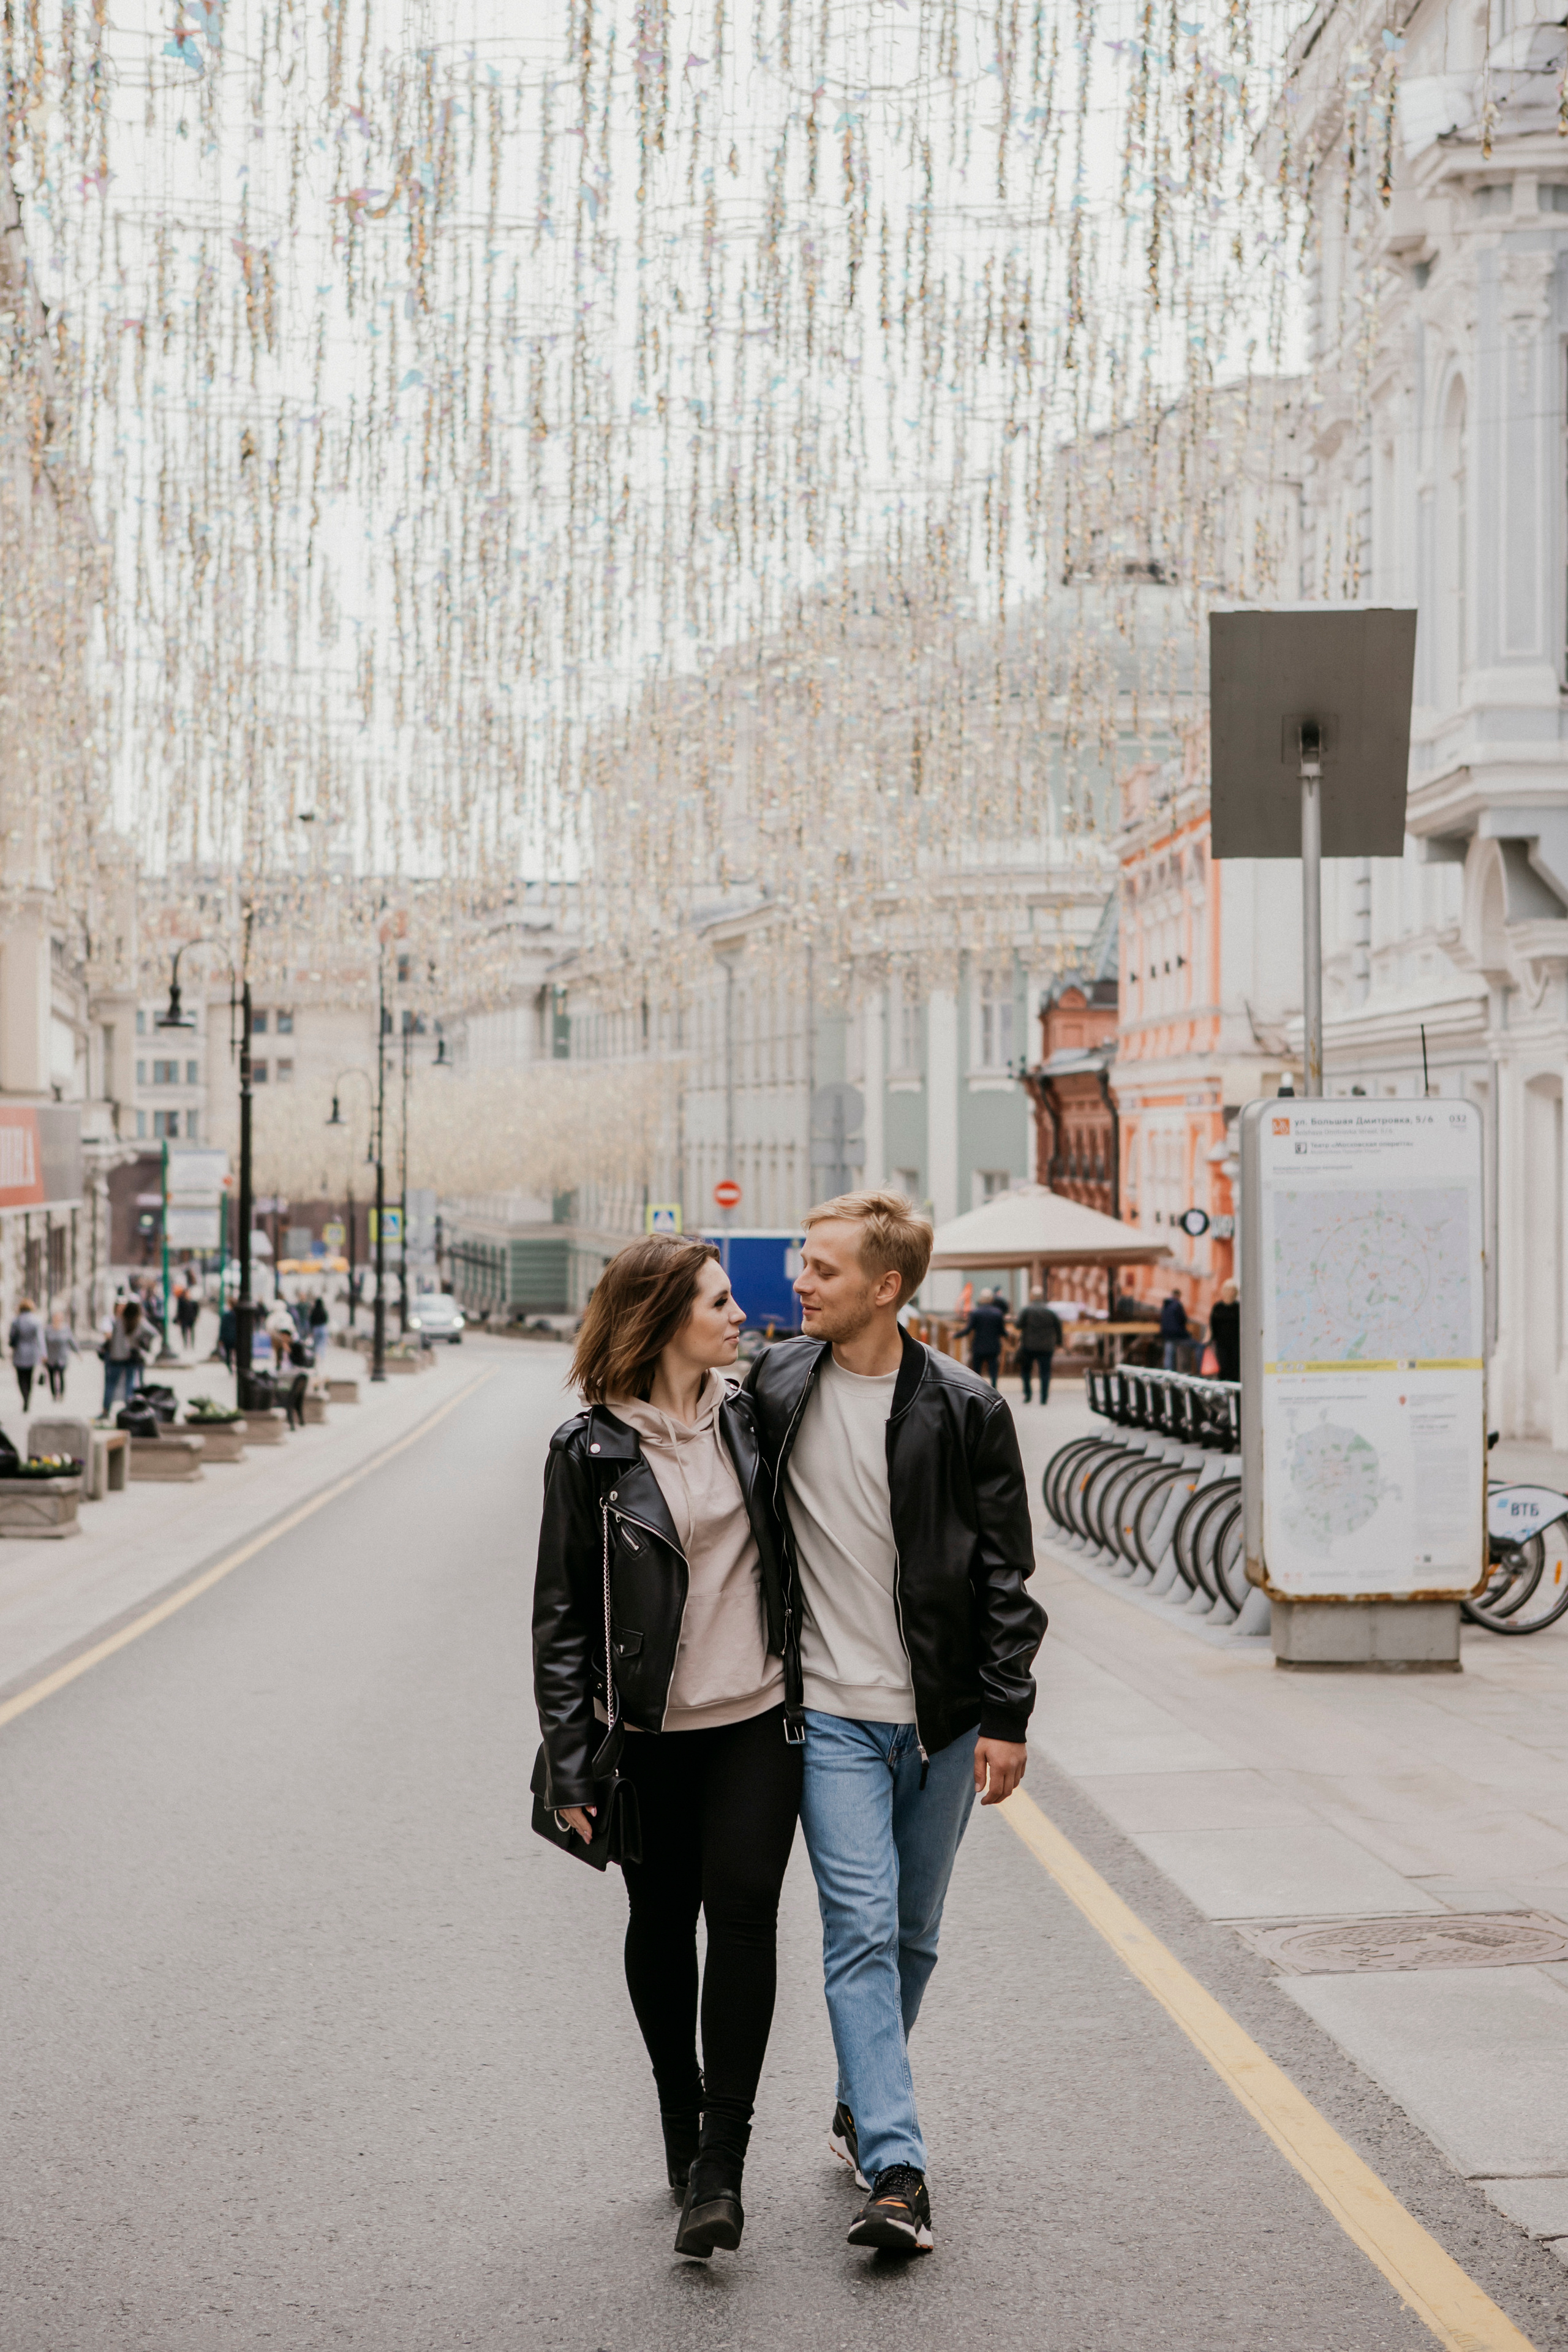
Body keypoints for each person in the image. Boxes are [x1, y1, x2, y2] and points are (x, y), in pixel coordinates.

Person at [745, 1191, 1045, 2258]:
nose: (800, 1281)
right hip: (827, 1715)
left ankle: (856, 2097)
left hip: (944, 1721)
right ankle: (898, 2169)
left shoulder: (965, 1408)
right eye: (801, 1262)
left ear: (886, 1287)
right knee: (861, 1929)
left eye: (822, 1268)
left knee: (913, 1934)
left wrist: (1007, 1715)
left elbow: (1008, 1575)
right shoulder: (775, 1383)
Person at [533, 1233, 802, 2263]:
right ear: (664, 1319)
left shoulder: (754, 1415)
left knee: (742, 1916)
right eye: (720, 1302)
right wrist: (569, 1760)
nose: (741, 1315)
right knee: (661, 1919)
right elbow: (560, 1616)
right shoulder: (587, 1450)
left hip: (756, 1718)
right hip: (644, 1734)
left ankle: (721, 2166)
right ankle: (680, 2121)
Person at [1014, 1286, 1064, 1403]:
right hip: (1046, 1346)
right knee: (1045, 1372)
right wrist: (1059, 1342)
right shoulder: (1050, 1311)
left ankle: (1028, 1395)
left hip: (1029, 1346)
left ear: (1032, 1296)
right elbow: (1058, 1328)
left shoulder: (1027, 1310)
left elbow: (1018, 1325)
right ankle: (1044, 1397)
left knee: (1026, 1371)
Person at [955, 1287, 1009, 1388]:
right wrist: (1008, 1335)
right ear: (991, 1300)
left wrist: (955, 1335)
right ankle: (994, 1389)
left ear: (981, 1299)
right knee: (993, 1370)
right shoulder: (998, 1313)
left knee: (977, 1371)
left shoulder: (975, 1313)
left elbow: (968, 1330)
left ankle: (978, 1389)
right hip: (993, 1346)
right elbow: (1002, 1331)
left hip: (979, 1345)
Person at [101, 1298, 146, 1418]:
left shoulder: (120, 1321)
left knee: (117, 1385)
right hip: (129, 1357)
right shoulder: (136, 1321)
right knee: (128, 1385)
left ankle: (108, 1411)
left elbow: (111, 1339)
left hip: (117, 1358)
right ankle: (128, 1410)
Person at [8, 1298, 44, 1411]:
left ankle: (24, 1397)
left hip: (19, 1352)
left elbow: (11, 1337)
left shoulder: (16, 1321)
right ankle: (28, 1398)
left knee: (21, 1378)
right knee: (29, 1378)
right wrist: (43, 1354)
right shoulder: (36, 1321)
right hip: (32, 1353)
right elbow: (40, 1339)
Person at [1208, 1278, 1240, 1384]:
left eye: (1233, 1290)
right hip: (1222, 1343)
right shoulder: (1218, 1307)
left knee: (1235, 1367)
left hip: (1236, 1343)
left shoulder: (1238, 1307)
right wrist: (1213, 1338)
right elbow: (1213, 1324)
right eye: (1228, 1290)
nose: (1231, 1293)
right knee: (1223, 1366)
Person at [44, 1310, 80, 1401]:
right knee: (52, 1376)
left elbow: (71, 1341)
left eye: (59, 1318)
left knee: (61, 1375)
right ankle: (54, 1394)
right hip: (51, 1357)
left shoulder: (66, 1329)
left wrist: (78, 1352)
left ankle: (61, 1393)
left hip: (62, 1357)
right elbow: (43, 1343)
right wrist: (43, 1355)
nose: (57, 1319)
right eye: (56, 1318)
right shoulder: (48, 1329)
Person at [1159, 1289, 1189, 1370]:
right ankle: (1182, 1370)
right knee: (1184, 1350)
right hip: (1177, 1333)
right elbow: (1183, 1319)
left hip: (1167, 1333)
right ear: (1178, 1296)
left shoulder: (1166, 1305)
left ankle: (1168, 1371)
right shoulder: (1177, 1305)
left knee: (1169, 1353)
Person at [175, 1281, 201, 1353]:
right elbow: (179, 1310)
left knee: (192, 1331)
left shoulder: (193, 1301)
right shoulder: (181, 1301)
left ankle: (192, 1344)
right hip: (184, 1319)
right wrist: (179, 1318)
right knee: (184, 1332)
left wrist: (196, 1317)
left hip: (191, 1318)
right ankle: (185, 1344)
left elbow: (197, 1309)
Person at [309, 1292, 330, 1363]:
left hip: (316, 1328)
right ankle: (322, 1357)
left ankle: (316, 1357)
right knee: (323, 1344)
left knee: (316, 1344)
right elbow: (326, 1319)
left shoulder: (314, 1311)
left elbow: (311, 1320)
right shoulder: (324, 1311)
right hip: (323, 1328)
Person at [217, 1300, 238, 1374]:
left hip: (227, 1338)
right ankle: (235, 1366)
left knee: (228, 1354)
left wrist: (220, 1339)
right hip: (236, 1337)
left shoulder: (226, 1315)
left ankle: (230, 1367)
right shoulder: (238, 1315)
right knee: (236, 1353)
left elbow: (222, 1327)